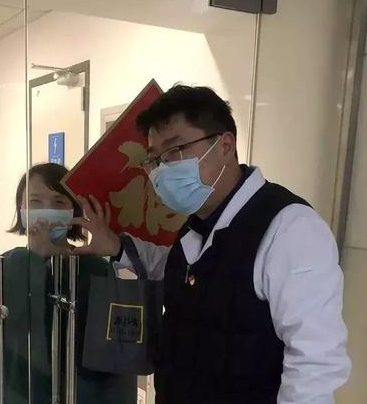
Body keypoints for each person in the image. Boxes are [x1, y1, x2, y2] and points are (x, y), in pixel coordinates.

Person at [70, 85, 351, 404]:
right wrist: (117, 246)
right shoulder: (196, 226)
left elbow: (314, 363)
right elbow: (179, 270)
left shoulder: (289, 227)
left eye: (175, 150)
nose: (162, 170)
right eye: (155, 159)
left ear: (225, 146)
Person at [0, 163, 136, 404]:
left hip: (81, 392)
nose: (46, 210)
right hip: (21, 390)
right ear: (21, 209)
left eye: (58, 202)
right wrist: (35, 257)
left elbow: (115, 341)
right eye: (35, 202)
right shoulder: (6, 263)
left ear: (73, 211)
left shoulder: (94, 267)